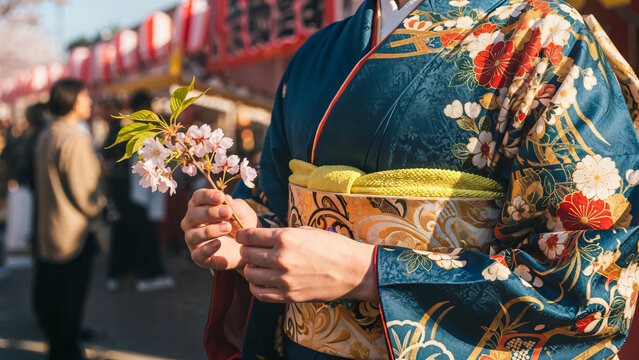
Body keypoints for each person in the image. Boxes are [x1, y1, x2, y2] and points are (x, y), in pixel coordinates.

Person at [182, 0, 639, 359]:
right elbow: (273, 197)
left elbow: (589, 274)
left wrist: (368, 273)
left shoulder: (544, 39)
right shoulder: (315, 57)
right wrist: (243, 231)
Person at [34, 78, 105, 360]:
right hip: (73, 233)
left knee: (55, 299)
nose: (90, 102)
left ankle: (60, 347)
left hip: (49, 229)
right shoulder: (74, 137)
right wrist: (101, 215)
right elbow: (85, 192)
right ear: (74, 100)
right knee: (70, 302)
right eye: (86, 96)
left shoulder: (47, 133)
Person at [102, 91, 173, 292]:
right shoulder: (136, 128)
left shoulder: (125, 127)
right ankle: (147, 274)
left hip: (125, 188)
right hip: (133, 190)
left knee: (125, 232)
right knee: (142, 233)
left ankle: (123, 273)